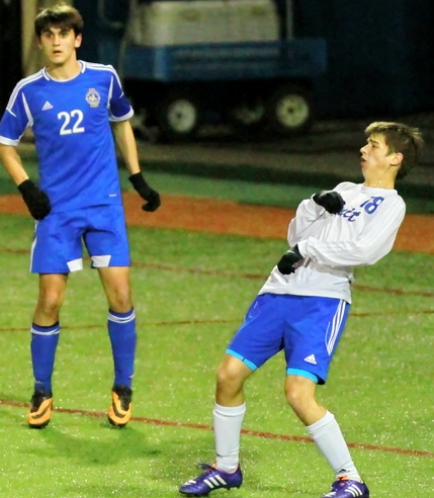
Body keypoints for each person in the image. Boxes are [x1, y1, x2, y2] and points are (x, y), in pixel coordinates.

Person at [178, 122, 424, 498]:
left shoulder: (392, 204)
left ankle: (351, 480)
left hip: (321, 302)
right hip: (278, 292)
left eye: (373, 145)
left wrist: (308, 250)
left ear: (395, 158)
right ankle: (226, 468)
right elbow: (296, 236)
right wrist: (313, 204)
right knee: (228, 375)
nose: (363, 150)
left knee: (298, 393)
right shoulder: (345, 190)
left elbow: (364, 251)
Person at [0, 4, 161, 429]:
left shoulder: (104, 78)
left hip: (103, 205)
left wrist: (137, 177)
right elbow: (4, 143)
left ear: (77, 39)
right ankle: (42, 390)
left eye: (63, 34)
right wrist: (26, 187)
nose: (56, 42)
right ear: (40, 42)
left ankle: (123, 387)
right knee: (50, 300)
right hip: (57, 211)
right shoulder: (28, 91)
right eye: (48, 35)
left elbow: (122, 123)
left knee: (120, 295)